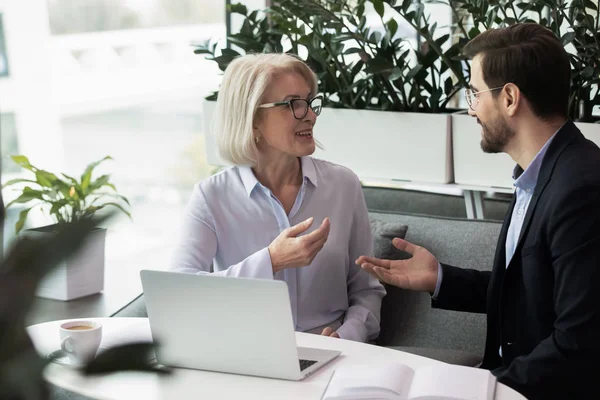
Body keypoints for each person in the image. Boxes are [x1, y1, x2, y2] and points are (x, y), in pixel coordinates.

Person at [357, 23, 600, 399]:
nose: (470, 110)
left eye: (474, 92)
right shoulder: (538, 176)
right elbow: (534, 292)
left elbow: (580, 344)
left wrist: (484, 389)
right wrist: (440, 278)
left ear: (509, 98)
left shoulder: (582, 188)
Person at [170, 53, 385, 343]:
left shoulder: (343, 185)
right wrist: (271, 261)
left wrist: (347, 336)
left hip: (336, 356)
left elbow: (366, 290)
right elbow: (179, 294)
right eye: (293, 104)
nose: (310, 114)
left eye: (309, 102)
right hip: (247, 358)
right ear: (253, 120)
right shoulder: (211, 197)